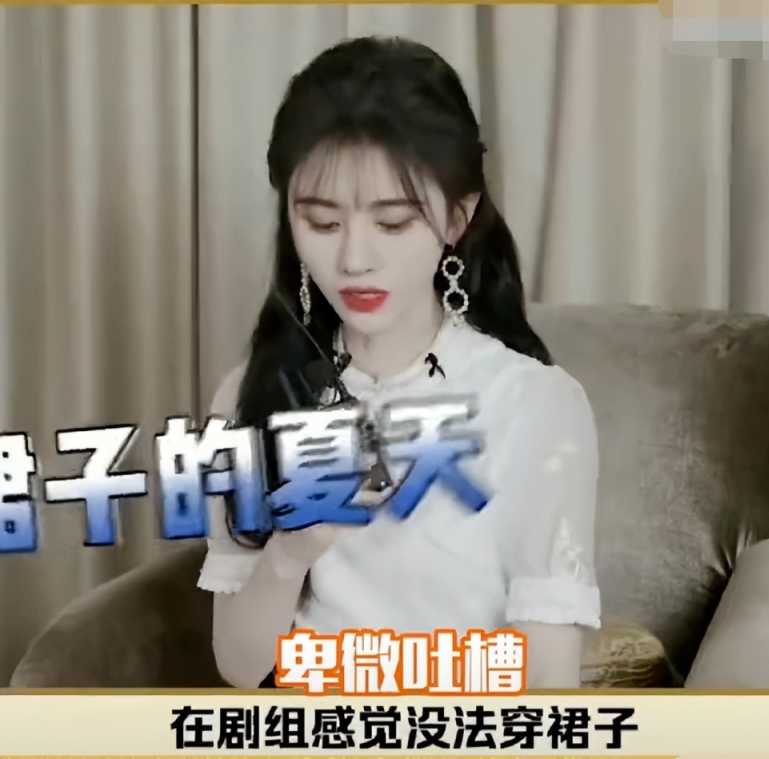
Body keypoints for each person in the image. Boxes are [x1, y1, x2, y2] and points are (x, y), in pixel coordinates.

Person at [197, 35, 602, 689]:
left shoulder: (533, 404)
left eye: (391, 224)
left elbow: (548, 680)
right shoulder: (250, 395)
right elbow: (242, 668)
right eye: (322, 223)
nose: (354, 259)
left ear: (457, 218)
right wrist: (291, 553)